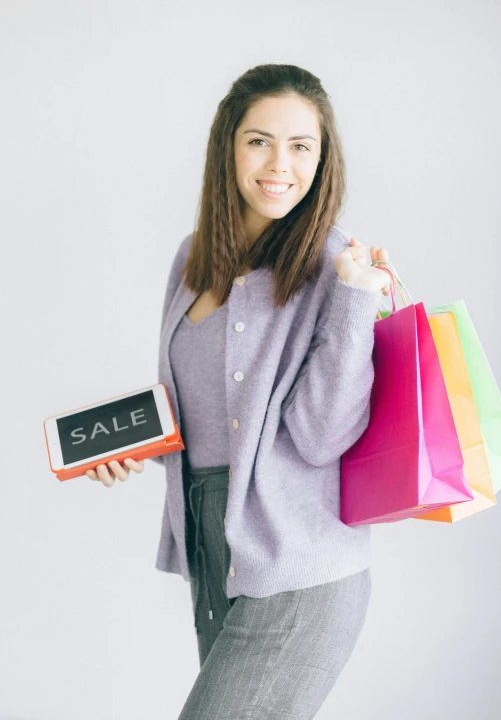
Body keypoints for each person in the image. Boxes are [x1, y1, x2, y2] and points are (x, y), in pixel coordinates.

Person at [87, 63, 392, 719]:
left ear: (322, 158)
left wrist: (355, 299)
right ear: (228, 146)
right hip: (214, 551)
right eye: (259, 140)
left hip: (297, 566)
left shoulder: (333, 264)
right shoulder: (193, 257)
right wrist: (134, 445)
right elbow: (204, 402)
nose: (279, 163)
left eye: (301, 145)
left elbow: (320, 436)